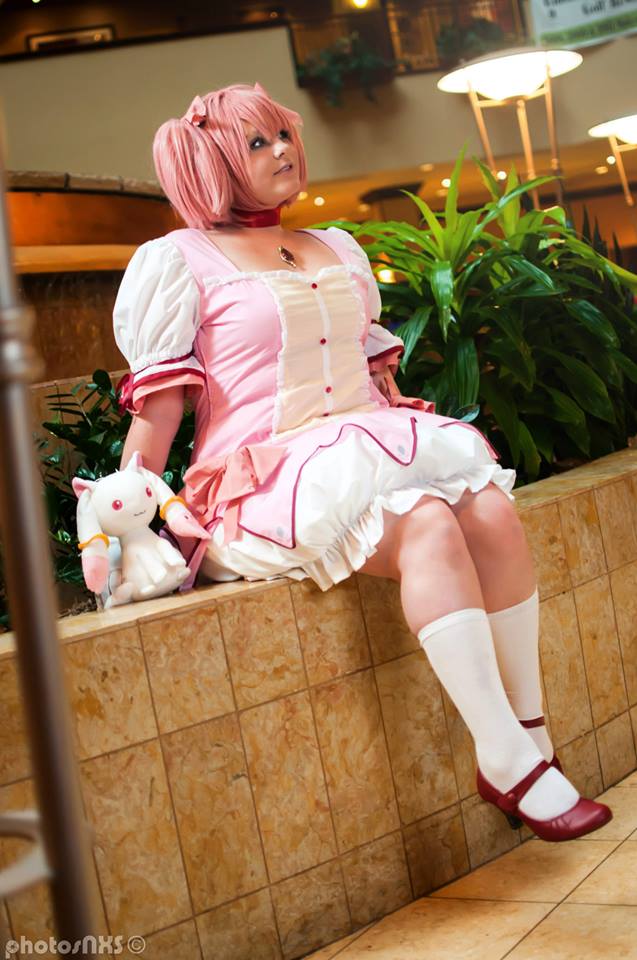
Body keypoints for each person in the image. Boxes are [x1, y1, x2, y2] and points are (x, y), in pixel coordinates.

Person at [106, 82, 611, 841]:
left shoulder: (335, 246)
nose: (282, 149)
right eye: (256, 142)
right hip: (262, 481)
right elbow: (159, 413)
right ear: (213, 162)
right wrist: (123, 531)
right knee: (425, 521)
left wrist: (407, 438)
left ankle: (531, 737)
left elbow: (374, 379)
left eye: (283, 134)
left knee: (489, 509)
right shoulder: (177, 261)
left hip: (359, 452)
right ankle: (504, 757)